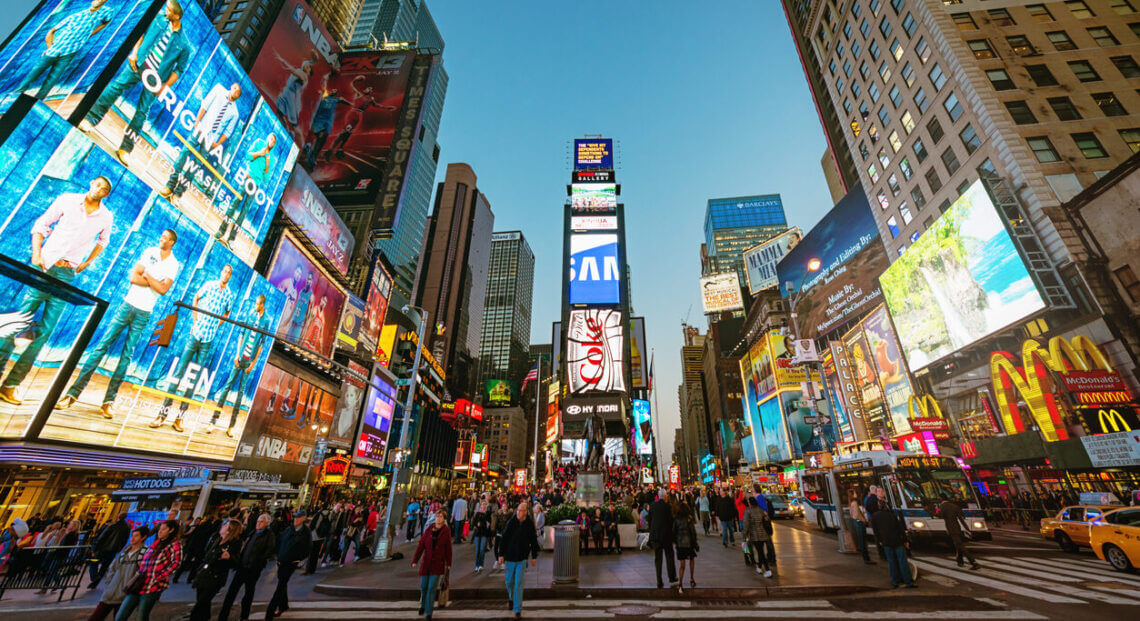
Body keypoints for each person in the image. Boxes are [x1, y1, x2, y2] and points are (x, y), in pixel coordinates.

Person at [0, 177, 115, 406]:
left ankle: (10, 385)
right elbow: (41, 225)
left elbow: (104, 241)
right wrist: (36, 254)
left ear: (106, 194)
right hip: (45, 266)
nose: (100, 190)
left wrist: (87, 263)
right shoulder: (68, 200)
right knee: (19, 322)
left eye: (105, 189)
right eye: (98, 185)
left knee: (45, 332)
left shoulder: (106, 216)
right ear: (91, 184)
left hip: (67, 274)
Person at [58, 231, 180, 419]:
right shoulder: (150, 251)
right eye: (160, 236)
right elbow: (134, 278)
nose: (161, 239)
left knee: (126, 357)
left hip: (144, 312)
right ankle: (72, 394)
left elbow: (163, 289)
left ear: (171, 242)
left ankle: (108, 402)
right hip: (126, 305)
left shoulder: (173, 264)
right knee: (100, 347)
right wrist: (152, 281)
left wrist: (147, 275)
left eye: (164, 238)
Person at [84, 1, 191, 163]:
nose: (165, 11)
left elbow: (179, 70)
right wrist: (134, 53)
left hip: (156, 78)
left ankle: (125, 149)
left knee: (142, 112)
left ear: (176, 16)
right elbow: (141, 34)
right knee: (115, 87)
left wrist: (164, 87)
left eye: (168, 10)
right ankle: (90, 119)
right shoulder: (158, 19)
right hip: (139, 63)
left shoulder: (184, 44)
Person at [160, 82, 243, 201]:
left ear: (238, 96)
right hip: (200, 130)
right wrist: (197, 122)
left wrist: (217, 143)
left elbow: (228, 132)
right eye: (234, 88)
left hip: (210, 140)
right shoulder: (219, 89)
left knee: (195, 166)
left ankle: (178, 193)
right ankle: (170, 185)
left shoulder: (235, 113)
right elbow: (205, 104)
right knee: (184, 153)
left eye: (238, 91)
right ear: (231, 86)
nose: (235, 91)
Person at [18, 0, 112, 99]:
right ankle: (17, 93)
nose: (100, 0)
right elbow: (52, 30)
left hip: (70, 52)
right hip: (55, 49)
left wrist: (91, 33)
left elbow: (106, 22)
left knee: (53, 78)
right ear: (93, 1)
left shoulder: (106, 11)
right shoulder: (76, 16)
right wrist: (50, 47)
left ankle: (38, 99)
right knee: (34, 72)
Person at [207, 294, 269, 436]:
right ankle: (213, 421)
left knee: (240, 394)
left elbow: (262, 344)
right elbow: (241, 334)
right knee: (227, 387)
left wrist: (253, 363)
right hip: (240, 358)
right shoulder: (250, 315)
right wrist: (237, 354)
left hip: (249, 361)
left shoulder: (266, 321)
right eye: (255, 303)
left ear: (262, 305)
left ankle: (231, 426)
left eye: (257, 304)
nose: (255, 306)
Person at [216, 133, 279, 244]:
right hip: (247, 178)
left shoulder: (272, 158)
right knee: (234, 204)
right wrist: (259, 153)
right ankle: (221, 231)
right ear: (267, 138)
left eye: (273, 141)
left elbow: (265, 179)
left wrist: (268, 165)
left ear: (274, 144)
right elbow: (247, 156)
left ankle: (231, 239)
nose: (271, 141)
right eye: (270, 138)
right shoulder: (259, 143)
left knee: (244, 212)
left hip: (255, 185)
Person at [115, 520, 181, 621]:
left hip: (153, 585)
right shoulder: (155, 544)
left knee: (141, 616)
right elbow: (145, 562)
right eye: (160, 529)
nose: (160, 531)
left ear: (171, 530)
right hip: (139, 582)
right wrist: (138, 574)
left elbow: (176, 563)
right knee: (121, 615)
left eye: (163, 529)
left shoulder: (174, 545)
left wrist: (160, 576)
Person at [219, 513, 275, 621]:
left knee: (248, 594)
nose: (258, 523)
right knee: (231, 592)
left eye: (261, 521)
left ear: (267, 523)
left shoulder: (269, 535)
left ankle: (244, 616)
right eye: (258, 521)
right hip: (242, 567)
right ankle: (223, 616)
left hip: (253, 569)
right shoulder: (253, 532)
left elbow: (269, 551)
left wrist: (258, 563)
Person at [89, 526, 147, 621]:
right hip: (111, 591)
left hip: (126, 593)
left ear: (143, 537)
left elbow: (143, 573)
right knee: (95, 617)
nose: (132, 538)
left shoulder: (144, 553)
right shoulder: (125, 550)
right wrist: (109, 583)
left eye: (136, 536)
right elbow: (113, 567)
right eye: (132, 536)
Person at [188, 518, 242, 621]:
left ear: (230, 529)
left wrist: (229, 557)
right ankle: (205, 617)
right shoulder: (216, 538)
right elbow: (207, 554)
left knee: (201, 603)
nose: (223, 526)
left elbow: (236, 562)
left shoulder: (235, 543)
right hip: (204, 573)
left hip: (215, 576)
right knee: (202, 601)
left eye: (226, 525)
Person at [265, 509, 311, 621]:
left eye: (298, 517)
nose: (295, 519)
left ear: (303, 518)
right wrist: (277, 555)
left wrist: (298, 560)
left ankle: (270, 612)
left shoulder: (305, 532)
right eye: (295, 517)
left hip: (291, 562)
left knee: (281, 585)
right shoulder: (289, 529)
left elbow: (308, 548)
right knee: (282, 582)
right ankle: (283, 605)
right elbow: (280, 541)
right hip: (281, 560)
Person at [496, 502, 540, 619]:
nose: (518, 512)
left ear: (525, 512)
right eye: (518, 510)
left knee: (519, 583)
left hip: (522, 558)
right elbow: (504, 538)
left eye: (521, 510)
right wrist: (501, 554)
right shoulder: (512, 522)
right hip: (510, 557)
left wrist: (534, 556)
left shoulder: (529, 524)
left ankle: (517, 609)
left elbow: (533, 540)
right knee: (509, 582)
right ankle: (511, 598)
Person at [412, 509, 452, 620]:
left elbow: (448, 548)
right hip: (426, 563)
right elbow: (421, 545)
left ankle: (429, 612)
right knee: (423, 586)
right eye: (437, 516)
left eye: (440, 517)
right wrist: (415, 560)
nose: (438, 519)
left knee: (431, 588)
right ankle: (423, 605)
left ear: (444, 519)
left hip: (438, 564)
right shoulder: (429, 529)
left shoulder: (446, 531)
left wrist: (449, 563)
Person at [870, 504, 915, 588]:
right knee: (902, 561)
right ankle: (908, 581)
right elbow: (900, 528)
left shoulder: (875, 517)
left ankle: (895, 581)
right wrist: (905, 540)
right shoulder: (892, 515)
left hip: (886, 541)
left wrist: (880, 540)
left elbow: (876, 531)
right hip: (897, 540)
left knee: (891, 562)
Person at [939, 493, 980, 570]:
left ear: (941, 498)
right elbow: (961, 519)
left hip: (951, 529)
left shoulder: (943, 506)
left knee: (960, 545)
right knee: (958, 544)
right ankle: (960, 560)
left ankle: (973, 562)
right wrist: (967, 529)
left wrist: (929, 511)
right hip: (957, 528)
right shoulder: (955, 506)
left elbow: (940, 515)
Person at [648, 490, 678, 589]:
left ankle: (659, 580)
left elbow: (650, 520)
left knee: (658, 559)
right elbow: (671, 522)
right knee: (669, 556)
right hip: (666, 536)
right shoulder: (667, 507)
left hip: (656, 536)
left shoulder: (652, 506)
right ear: (665, 497)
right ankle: (672, 577)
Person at [743, 496, 772, 578]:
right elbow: (766, 519)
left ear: (749, 503)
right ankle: (759, 567)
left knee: (760, 552)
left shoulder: (748, 511)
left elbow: (746, 525)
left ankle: (767, 570)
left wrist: (744, 536)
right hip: (763, 534)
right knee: (760, 550)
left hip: (754, 535)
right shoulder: (760, 510)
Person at [673, 501, 699, 590]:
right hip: (689, 543)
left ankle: (680, 583)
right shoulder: (689, 518)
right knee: (691, 560)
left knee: (682, 565)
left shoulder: (676, 519)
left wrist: (675, 541)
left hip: (680, 543)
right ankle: (691, 578)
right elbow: (693, 532)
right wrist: (695, 543)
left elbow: (674, 532)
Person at [848, 489, 875, 565]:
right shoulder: (855, 503)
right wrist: (863, 520)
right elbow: (857, 515)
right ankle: (866, 558)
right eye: (855, 493)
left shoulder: (851, 503)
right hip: (860, 523)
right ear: (853, 495)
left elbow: (852, 514)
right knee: (863, 541)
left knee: (861, 540)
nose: (856, 494)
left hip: (857, 522)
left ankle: (866, 557)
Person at [470, 500, 492, 572]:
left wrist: (488, 524)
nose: (484, 506)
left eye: (485, 504)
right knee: (477, 550)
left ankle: (481, 565)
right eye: (483, 504)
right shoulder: (477, 513)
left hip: (484, 534)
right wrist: (477, 524)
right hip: (478, 533)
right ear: (480, 505)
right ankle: (477, 565)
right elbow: (473, 523)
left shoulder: (488, 514)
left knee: (482, 550)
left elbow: (490, 523)